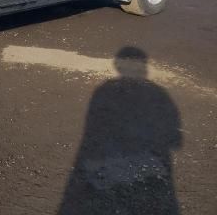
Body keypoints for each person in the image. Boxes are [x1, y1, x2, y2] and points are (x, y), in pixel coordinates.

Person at [58, 47, 182, 214]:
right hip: (143, 165)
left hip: (104, 161)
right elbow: (175, 140)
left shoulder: (104, 90)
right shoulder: (158, 93)